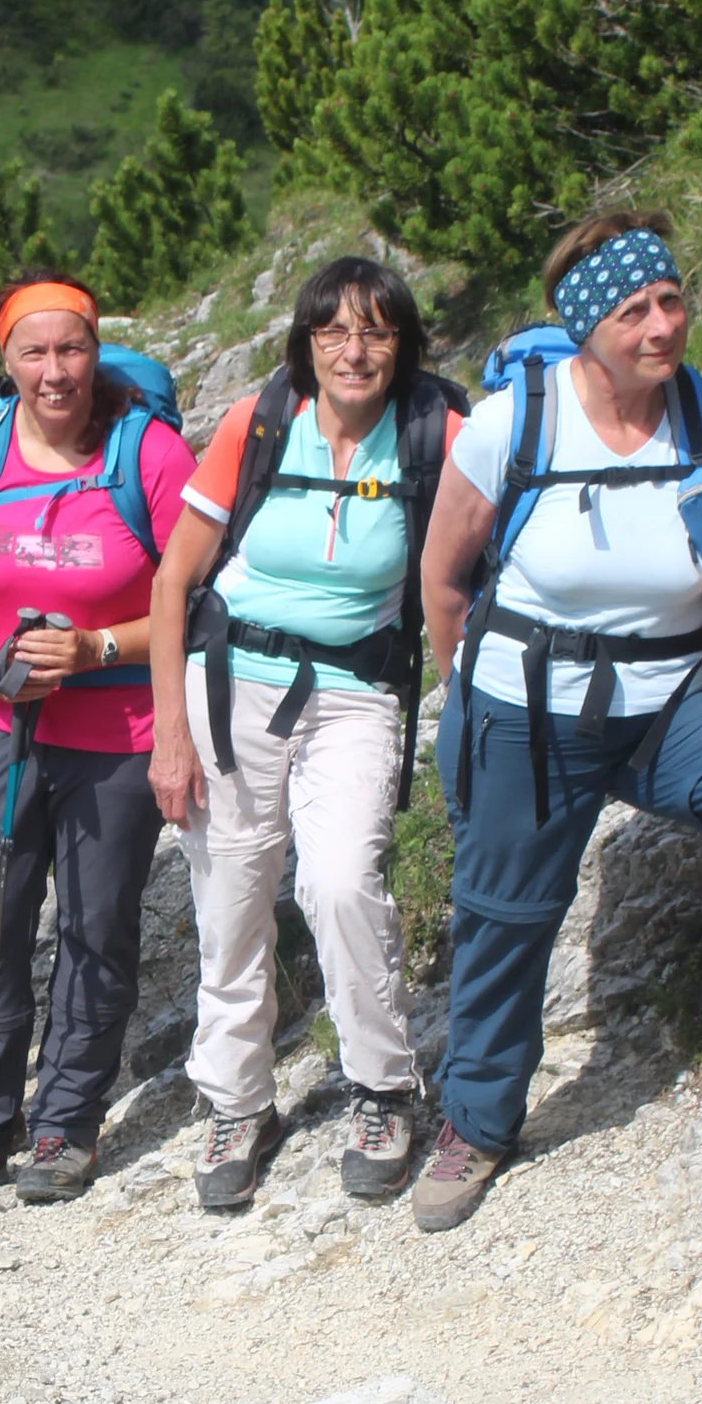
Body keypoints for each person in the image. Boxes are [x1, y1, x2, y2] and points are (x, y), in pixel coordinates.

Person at [414, 209, 702, 1233]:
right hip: (525, 708)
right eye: (632, 311)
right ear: (585, 328)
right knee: (504, 914)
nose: (662, 325)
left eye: (671, 299)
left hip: (672, 703)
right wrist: (472, 709)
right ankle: (477, 1122)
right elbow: (444, 582)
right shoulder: (512, 424)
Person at [150, 257, 465, 1214]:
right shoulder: (258, 422)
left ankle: (382, 1087)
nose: (353, 351)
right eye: (333, 331)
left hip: (358, 691)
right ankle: (236, 1102)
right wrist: (170, 734)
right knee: (231, 897)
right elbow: (173, 581)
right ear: (306, 343)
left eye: (375, 331)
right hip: (230, 682)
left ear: (403, 344)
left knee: (339, 883)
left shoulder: (437, 433)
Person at [0, 273, 196, 1202]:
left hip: (117, 729)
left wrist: (95, 647)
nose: (55, 370)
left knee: (93, 929)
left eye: (71, 348)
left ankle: (65, 1126)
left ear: (95, 351)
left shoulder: (150, 454)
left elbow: (193, 602)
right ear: (6, 361)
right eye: (33, 352)